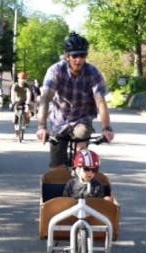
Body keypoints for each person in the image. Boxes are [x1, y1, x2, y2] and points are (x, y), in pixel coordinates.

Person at [36, 32, 115, 168]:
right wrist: (42, 127)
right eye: (74, 56)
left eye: (82, 55)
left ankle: (81, 175)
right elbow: (45, 99)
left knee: (82, 139)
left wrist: (107, 128)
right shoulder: (56, 71)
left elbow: (100, 102)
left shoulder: (93, 73)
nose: (78, 60)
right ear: (67, 56)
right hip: (59, 121)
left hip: (82, 119)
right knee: (57, 168)